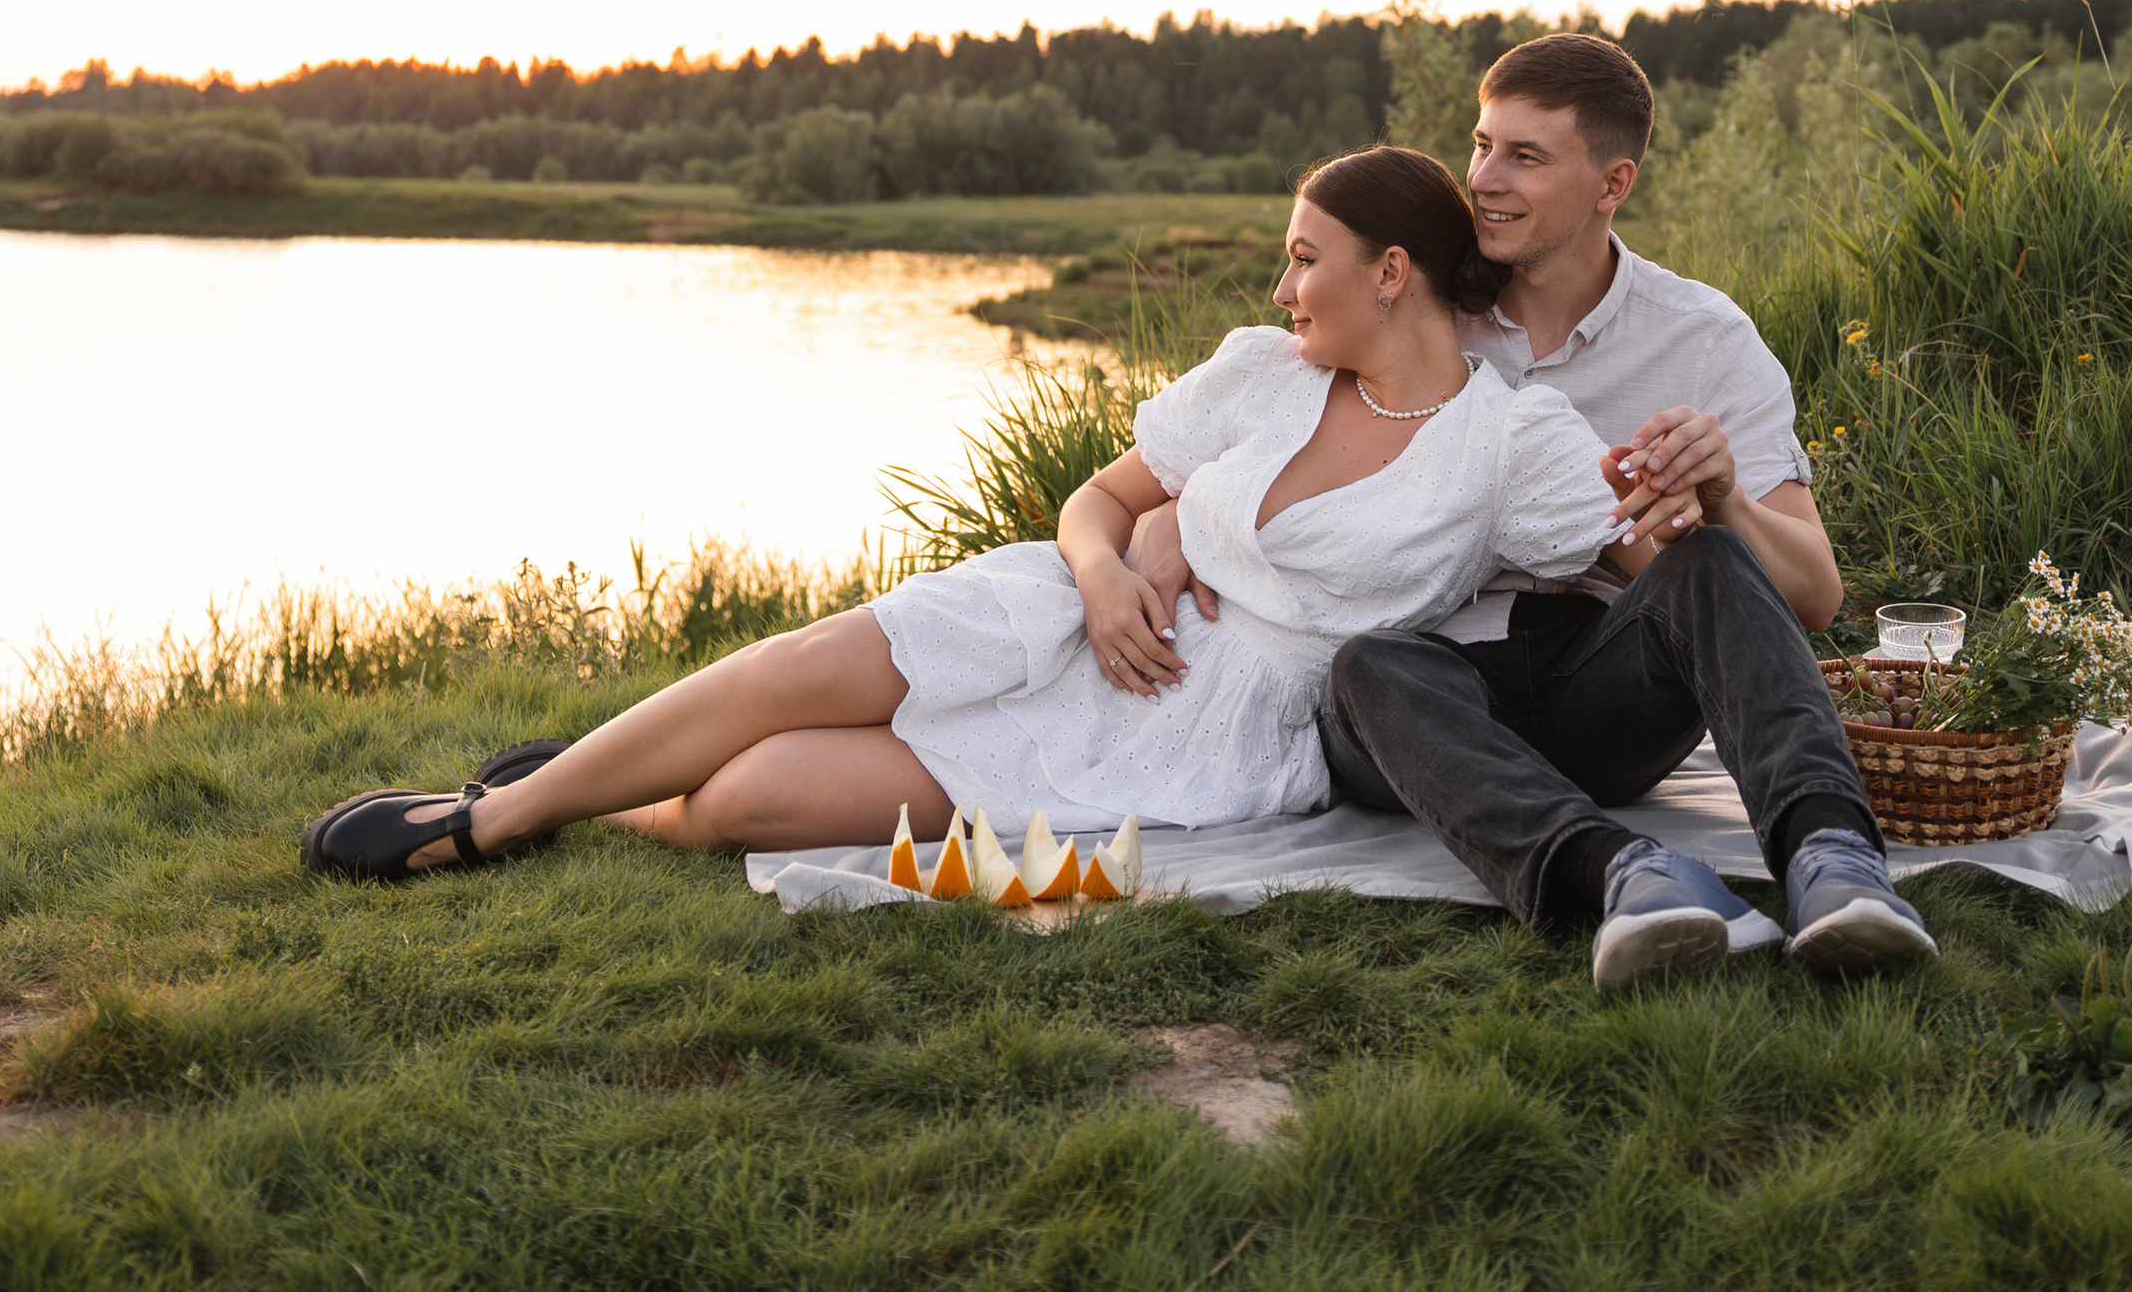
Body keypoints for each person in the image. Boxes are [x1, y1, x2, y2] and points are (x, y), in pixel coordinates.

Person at [297, 147, 1645, 880]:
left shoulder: (1508, 442)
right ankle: (482, 828)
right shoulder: (1257, 375)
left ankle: (583, 791)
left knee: (763, 800)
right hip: (1074, 604)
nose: (1283, 284)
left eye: (1305, 258)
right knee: (795, 669)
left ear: (1393, 272)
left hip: (1210, 714)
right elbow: (1100, 500)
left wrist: (1698, 498)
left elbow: (1627, 559)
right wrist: (1109, 570)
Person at [1307, 34, 1938, 987]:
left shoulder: (1705, 338)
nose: (1483, 179)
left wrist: (1723, 498)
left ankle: (1835, 864)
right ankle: (1629, 877)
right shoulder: (1424, 301)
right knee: (1363, 667)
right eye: (1482, 145)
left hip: (1603, 685)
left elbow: (1814, 596)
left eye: (1524, 156)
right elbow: (1258, 425)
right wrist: (1146, 532)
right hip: (1427, 690)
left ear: (1613, 183)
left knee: (1714, 560)